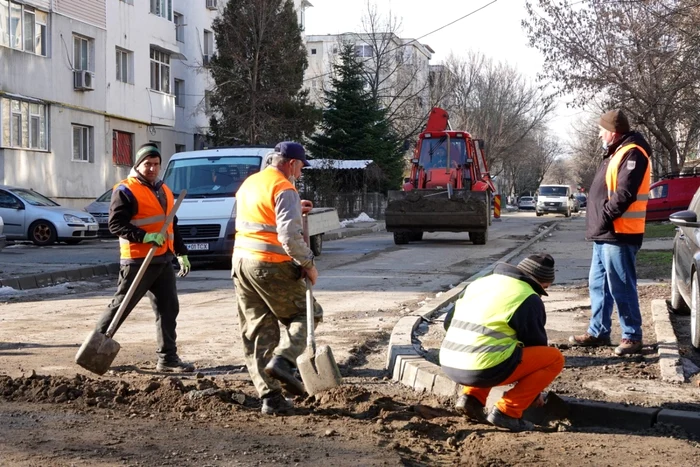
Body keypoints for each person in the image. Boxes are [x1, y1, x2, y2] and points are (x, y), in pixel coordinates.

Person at [232, 141, 322, 415]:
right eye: (301, 166)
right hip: (270, 264)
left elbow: (261, 218)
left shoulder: (251, 182)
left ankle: (271, 398)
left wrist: (296, 209)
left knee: (259, 331)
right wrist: (308, 264)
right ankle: (283, 361)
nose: (301, 172)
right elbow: (288, 237)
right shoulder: (285, 188)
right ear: (291, 163)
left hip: (241, 263)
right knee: (308, 315)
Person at [93, 143, 194, 373]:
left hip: (162, 260)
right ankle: (94, 350)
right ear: (137, 165)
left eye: (156, 164)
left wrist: (181, 252)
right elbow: (115, 224)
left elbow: (171, 225)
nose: (152, 169)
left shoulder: (164, 190)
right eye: (147, 164)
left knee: (168, 308)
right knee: (121, 306)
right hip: (138, 260)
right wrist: (144, 236)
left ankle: (168, 359)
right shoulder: (125, 190)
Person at [440, 253, 565, 432]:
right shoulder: (527, 297)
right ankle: (508, 412)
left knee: (491, 346)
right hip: (481, 369)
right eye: (543, 289)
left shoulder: (481, 283)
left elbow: (448, 323)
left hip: (449, 361)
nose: (541, 295)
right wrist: (533, 392)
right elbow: (535, 346)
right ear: (537, 282)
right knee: (554, 358)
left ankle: (471, 399)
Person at [569, 109, 651, 356]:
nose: (599, 134)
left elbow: (624, 195)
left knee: (621, 285)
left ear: (613, 133)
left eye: (601, 130)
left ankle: (632, 336)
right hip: (606, 233)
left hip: (620, 233)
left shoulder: (633, 153)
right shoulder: (617, 152)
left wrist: (602, 218)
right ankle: (598, 332)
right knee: (598, 285)